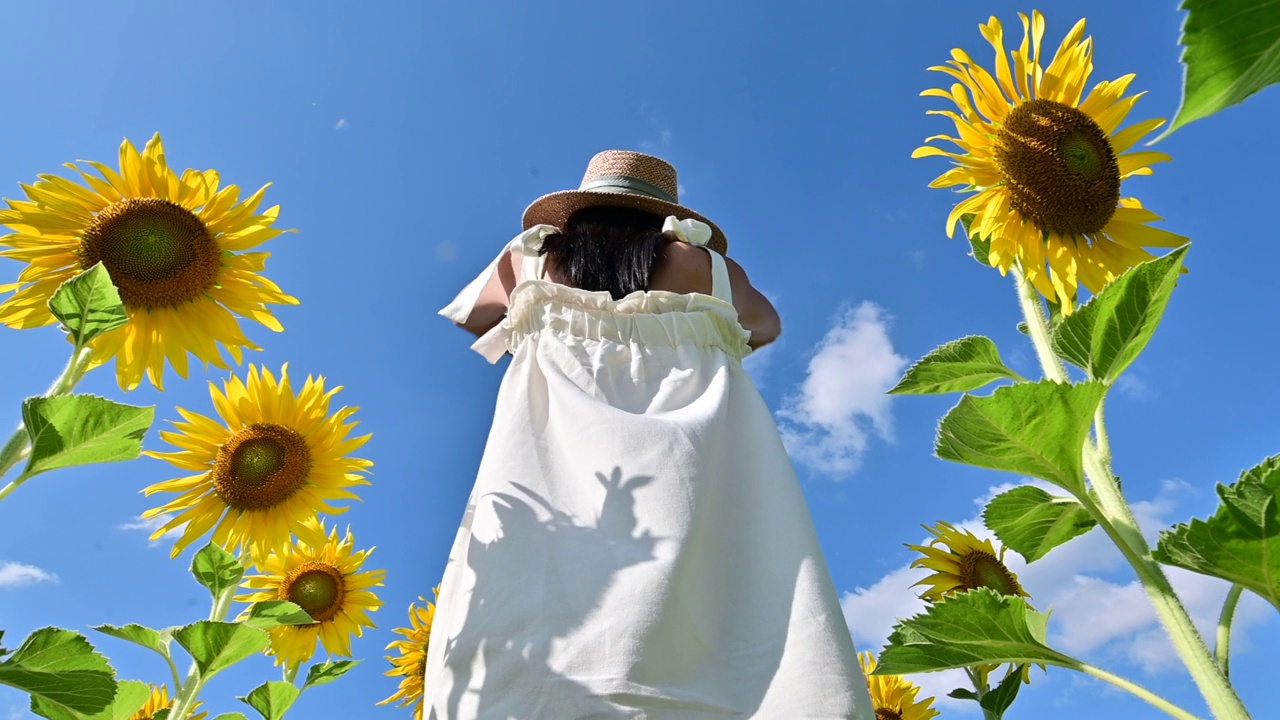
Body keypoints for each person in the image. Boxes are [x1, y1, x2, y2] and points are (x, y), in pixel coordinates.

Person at [431, 150, 873, 719]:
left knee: (534, 617)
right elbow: (766, 325)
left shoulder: (533, 258)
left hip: (550, 455)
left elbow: (473, 316)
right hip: (694, 455)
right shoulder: (706, 267)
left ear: (581, 209)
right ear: (662, 211)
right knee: (726, 609)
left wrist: (552, 311)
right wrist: (696, 326)